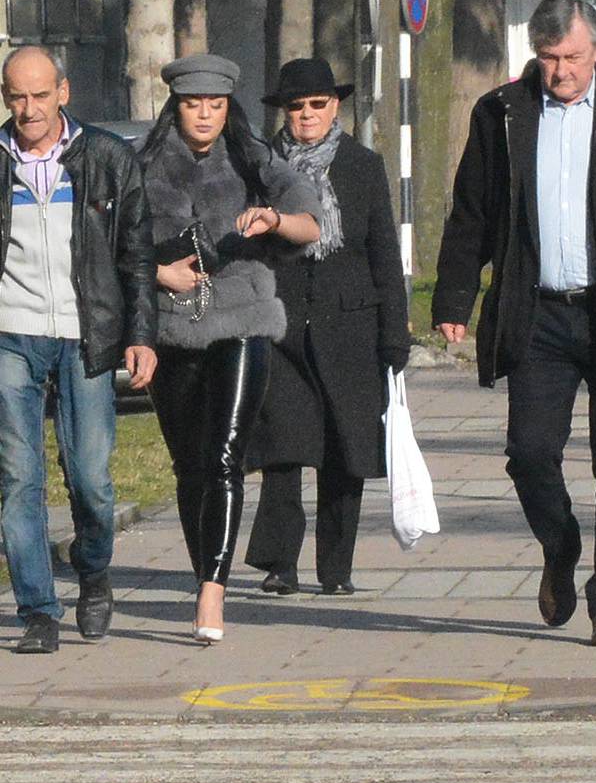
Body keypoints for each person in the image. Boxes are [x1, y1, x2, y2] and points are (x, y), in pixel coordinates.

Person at [432, 0, 596, 648]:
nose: (561, 72)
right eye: (549, 58)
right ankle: (561, 542)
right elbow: (472, 212)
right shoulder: (502, 113)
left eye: (573, 57)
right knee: (528, 454)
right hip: (540, 312)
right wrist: (453, 300)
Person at [139, 55, 322, 642]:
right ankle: (203, 573)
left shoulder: (254, 158)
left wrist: (273, 220)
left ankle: (213, 592)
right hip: (171, 327)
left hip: (243, 317)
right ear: (177, 106)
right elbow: (110, 246)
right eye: (194, 104)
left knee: (224, 455)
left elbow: (309, 223)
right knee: (190, 466)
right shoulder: (139, 166)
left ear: (227, 107)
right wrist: (158, 272)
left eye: (215, 106)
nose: (204, 116)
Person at [0, 46, 158, 653]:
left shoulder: (108, 158)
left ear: (63, 93)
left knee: (90, 477)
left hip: (85, 334)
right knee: (19, 479)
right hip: (12, 334)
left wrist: (140, 336)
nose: (29, 109)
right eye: (18, 96)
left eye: (41, 96)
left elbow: (136, 258)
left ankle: (93, 570)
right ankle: (38, 610)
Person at [245, 57, 411, 599]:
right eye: (297, 107)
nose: (308, 115)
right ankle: (279, 563)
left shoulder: (363, 165)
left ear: (335, 107)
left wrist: (394, 331)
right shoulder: (263, 166)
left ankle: (336, 568)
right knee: (285, 445)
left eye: (318, 104)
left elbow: (384, 252)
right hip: (282, 323)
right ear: (284, 113)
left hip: (351, 327)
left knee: (346, 449)